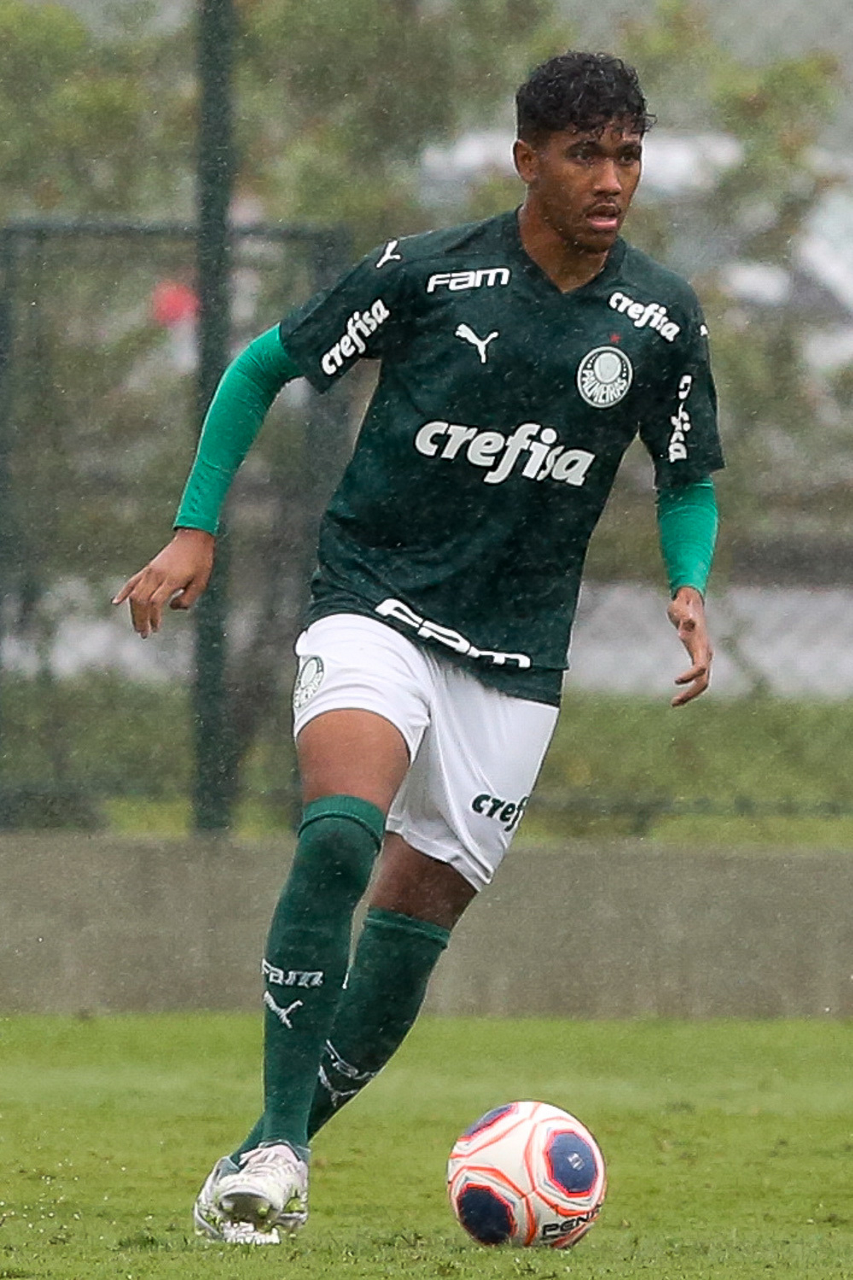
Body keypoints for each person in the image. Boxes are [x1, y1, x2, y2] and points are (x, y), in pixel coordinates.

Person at [115, 50, 722, 1245]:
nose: (611, 179)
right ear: (526, 160)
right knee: (340, 833)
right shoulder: (426, 273)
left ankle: (266, 1149)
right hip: (374, 602)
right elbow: (261, 367)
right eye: (584, 154)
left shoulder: (659, 317)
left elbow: (686, 474)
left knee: (408, 934)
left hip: (515, 657)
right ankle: (279, 1146)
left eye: (627, 155)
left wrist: (688, 583)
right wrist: (193, 528)